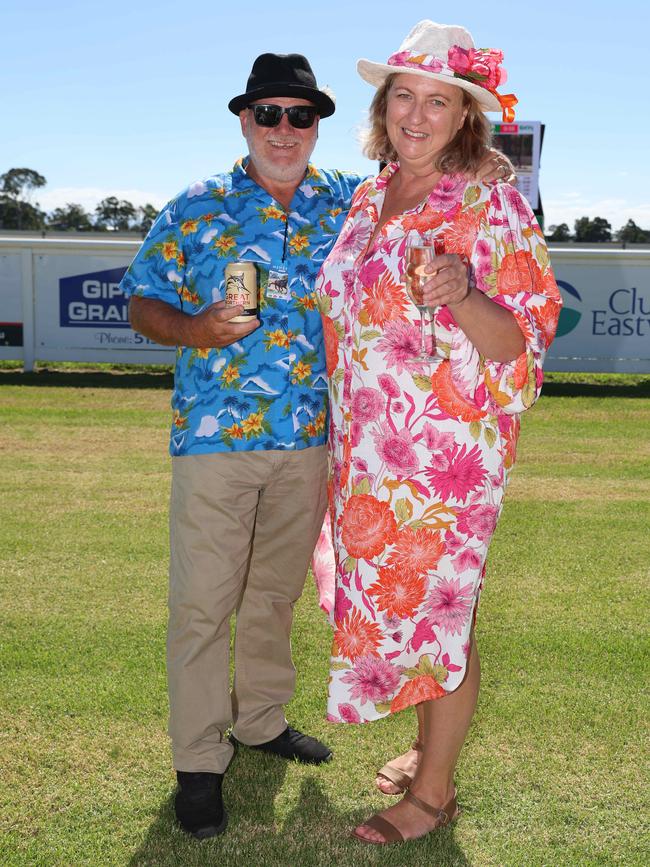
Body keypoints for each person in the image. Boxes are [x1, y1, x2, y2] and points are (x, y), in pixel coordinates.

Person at [120, 50, 513, 841]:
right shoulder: (196, 207)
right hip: (214, 438)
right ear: (244, 119)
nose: (284, 128)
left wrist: (486, 158)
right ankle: (200, 762)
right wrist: (193, 328)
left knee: (274, 596)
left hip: (317, 443)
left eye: (300, 115)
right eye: (268, 113)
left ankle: (261, 722)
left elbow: (439, 189)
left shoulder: (351, 200)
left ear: (319, 126)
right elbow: (139, 301)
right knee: (202, 604)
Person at [316, 20, 562, 846]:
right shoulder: (364, 197)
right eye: (404, 97)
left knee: (440, 620)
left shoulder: (489, 203)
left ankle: (433, 793)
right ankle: (427, 751)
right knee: (401, 613)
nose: (417, 116)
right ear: (384, 108)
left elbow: (523, 344)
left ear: (466, 118)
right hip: (366, 454)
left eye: (439, 102)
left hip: (442, 463)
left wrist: (460, 291)